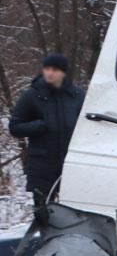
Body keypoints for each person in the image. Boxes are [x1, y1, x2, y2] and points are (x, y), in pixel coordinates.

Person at [8, 53, 86, 222]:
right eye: (47, 69)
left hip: (71, 164)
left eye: (55, 70)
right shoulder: (32, 96)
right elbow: (14, 126)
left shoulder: (77, 96)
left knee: (74, 215)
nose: (50, 73)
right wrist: (37, 127)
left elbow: (87, 126)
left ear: (64, 72)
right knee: (43, 217)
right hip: (42, 165)